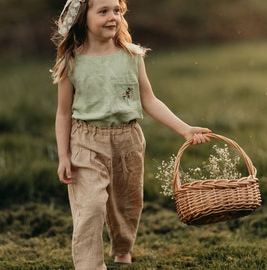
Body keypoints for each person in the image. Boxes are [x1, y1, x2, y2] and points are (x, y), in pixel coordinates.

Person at [51, 0, 211, 269]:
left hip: (128, 141)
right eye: (103, 11)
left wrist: (184, 128)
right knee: (90, 206)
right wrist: (63, 155)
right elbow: (63, 113)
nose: (112, 16)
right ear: (83, 17)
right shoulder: (71, 60)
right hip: (86, 141)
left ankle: (122, 249)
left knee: (126, 204)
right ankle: (90, 265)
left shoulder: (132, 56)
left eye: (117, 10)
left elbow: (149, 101)